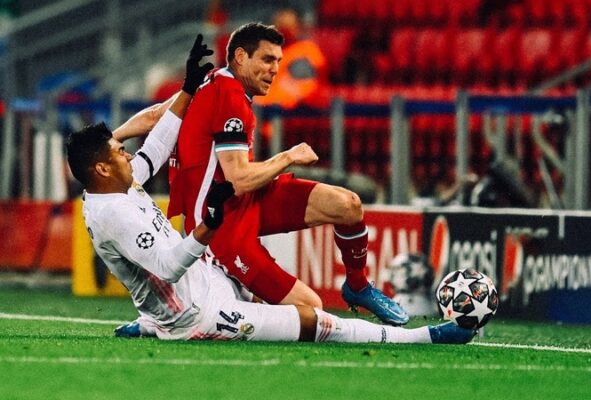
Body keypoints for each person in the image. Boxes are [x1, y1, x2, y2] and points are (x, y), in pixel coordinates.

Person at [66, 35, 475, 345]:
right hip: (196, 314)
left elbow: (155, 148)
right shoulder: (113, 214)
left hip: (205, 277)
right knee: (314, 320)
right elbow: (169, 266)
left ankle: (152, 320)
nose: (128, 154)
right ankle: (425, 337)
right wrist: (208, 226)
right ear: (102, 168)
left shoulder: (117, 185)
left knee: (320, 245)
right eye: (119, 152)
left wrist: (188, 88)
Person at [167, 23, 409, 325]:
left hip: (248, 201)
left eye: (278, 61)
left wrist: (118, 136)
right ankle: (203, 304)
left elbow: (158, 115)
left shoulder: (216, 82)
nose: (275, 70)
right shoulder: (228, 97)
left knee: (348, 206)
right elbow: (237, 180)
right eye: (268, 60)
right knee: (312, 309)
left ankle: (357, 286)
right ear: (240, 57)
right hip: (221, 229)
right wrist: (289, 156)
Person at [254, 8, 328, 110]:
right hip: (265, 111)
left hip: (294, 113)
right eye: (279, 28)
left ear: (299, 28)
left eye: (288, 29)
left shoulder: (306, 51)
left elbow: (306, 89)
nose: (282, 33)